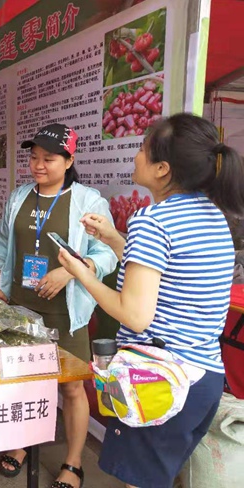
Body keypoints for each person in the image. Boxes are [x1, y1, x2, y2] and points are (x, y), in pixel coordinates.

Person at [56, 113, 244, 488]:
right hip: (202, 378)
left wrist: (83, 275)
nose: (136, 156)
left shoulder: (153, 220)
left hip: (157, 378)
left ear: (162, 169)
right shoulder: (212, 215)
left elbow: (134, 314)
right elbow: (165, 275)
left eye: (142, 150)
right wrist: (112, 238)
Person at [0, 123, 117, 488]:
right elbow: (3, 241)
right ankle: (22, 446)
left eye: (48, 158)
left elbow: (106, 253)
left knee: (72, 387)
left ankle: (73, 463)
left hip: (66, 310)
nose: (38, 165)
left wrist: (70, 272)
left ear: (69, 160)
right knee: (24, 381)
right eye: (33, 157)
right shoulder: (19, 196)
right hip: (21, 305)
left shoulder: (88, 201)